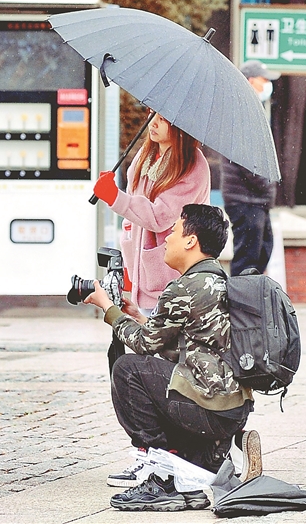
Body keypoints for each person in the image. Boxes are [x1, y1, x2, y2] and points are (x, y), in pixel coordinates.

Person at [84, 204, 258, 512]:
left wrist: (108, 309)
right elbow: (181, 347)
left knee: (127, 370)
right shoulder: (218, 280)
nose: (167, 239)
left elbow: (145, 345)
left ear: (191, 241)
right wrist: (138, 316)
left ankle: (163, 477)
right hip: (230, 409)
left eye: (174, 231)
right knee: (157, 371)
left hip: (209, 409)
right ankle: (196, 470)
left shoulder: (185, 287)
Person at [92, 111, 211, 315]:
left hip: (172, 281)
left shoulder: (192, 166)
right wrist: (130, 261)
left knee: (158, 342)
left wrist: (115, 197)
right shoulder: (146, 154)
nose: (153, 122)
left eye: (163, 118)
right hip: (142, 275)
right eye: (151, 114)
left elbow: (159, 216)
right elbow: (132, 214)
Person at [221, 60, 280, 276]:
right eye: (264, 80)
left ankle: (247, 300)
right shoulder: (241, 111)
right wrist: (267, 185)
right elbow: (248, 160)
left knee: (262, 250)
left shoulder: (252, 109)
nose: (267, 85)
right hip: (245, 198)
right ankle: (239, 303)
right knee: (248, 257)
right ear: (250, 81)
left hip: (254, 200)